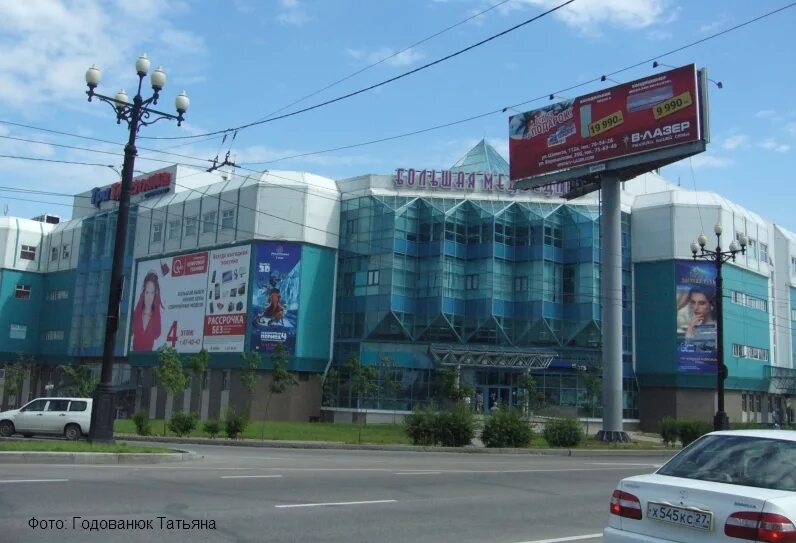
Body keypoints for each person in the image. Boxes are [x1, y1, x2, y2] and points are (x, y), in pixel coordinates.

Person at [131, 271, 163, 351]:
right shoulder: (137, 314)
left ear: (155, 294)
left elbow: (157, 333)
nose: (149, 297)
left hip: (149, 361)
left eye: (152, 293)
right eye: (147, 292)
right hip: (133, 359)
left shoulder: (156, 317)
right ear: (143, 293)